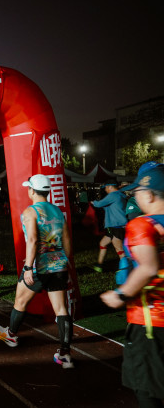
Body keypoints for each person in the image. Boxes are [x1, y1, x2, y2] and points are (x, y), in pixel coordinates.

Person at [0, 174, 75, 369]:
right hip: (59, 265)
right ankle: (65, 354)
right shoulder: (57, 210)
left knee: (20, 302)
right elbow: (67, 240)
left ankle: (11, 335)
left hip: (39, 267)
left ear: (31, 191)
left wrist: (28, 267)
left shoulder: (31, 211)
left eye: (28, 188)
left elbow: (32, 240)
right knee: (61, 309)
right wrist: (66, 263)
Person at [100, 166, 164, 407]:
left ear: (149, 195)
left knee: (146, 390)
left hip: (150, 321)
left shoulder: (141, 225)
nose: (134, 197)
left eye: (137, 192)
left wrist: (120, 294)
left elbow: (148, 268)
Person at [91, 179, 128, 272]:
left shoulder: (113, 195)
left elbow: (99, 204)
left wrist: (93, 202)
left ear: (110, 187)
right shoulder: (120, 195)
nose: (105, 189)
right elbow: (109, 207)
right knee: (102, 243)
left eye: (106, 187)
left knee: (119, 249)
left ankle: (126, 269)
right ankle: (99, 265)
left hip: (116, 225)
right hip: (115, 225)